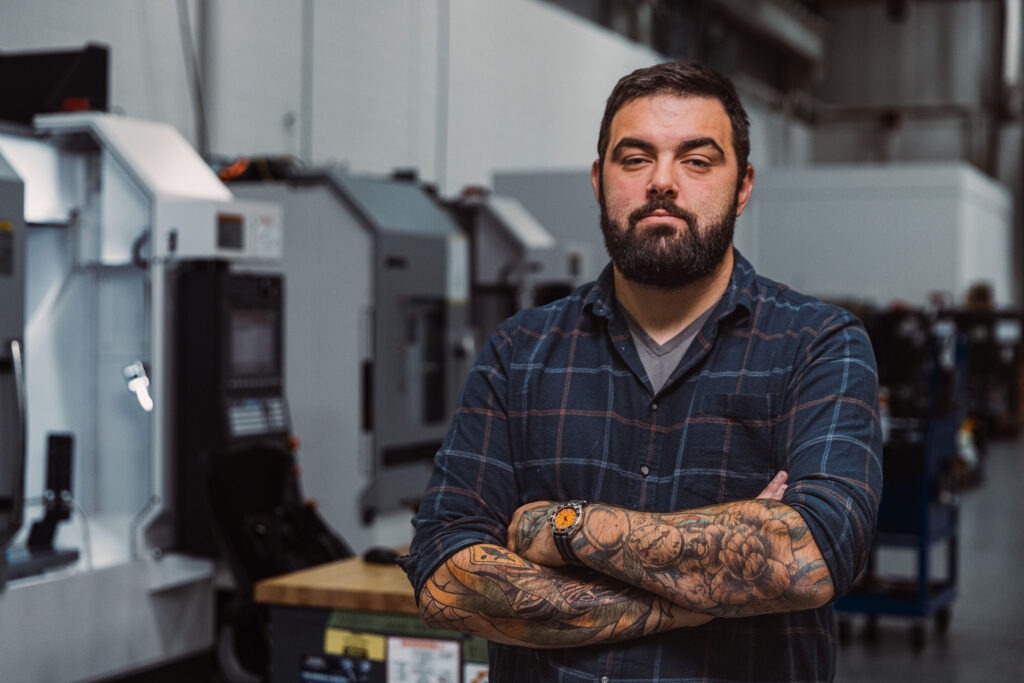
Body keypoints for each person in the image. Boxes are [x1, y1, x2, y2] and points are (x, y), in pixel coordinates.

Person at [399, 61, 882, 682]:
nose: (662, 182)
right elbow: (444, 574)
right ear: (600, 181)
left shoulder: (818, 345)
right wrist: (695, 594)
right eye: (635, 159)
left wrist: (563, 527)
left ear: (742, 187)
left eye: (697, 161)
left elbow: (816, 549)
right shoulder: (521, 350)